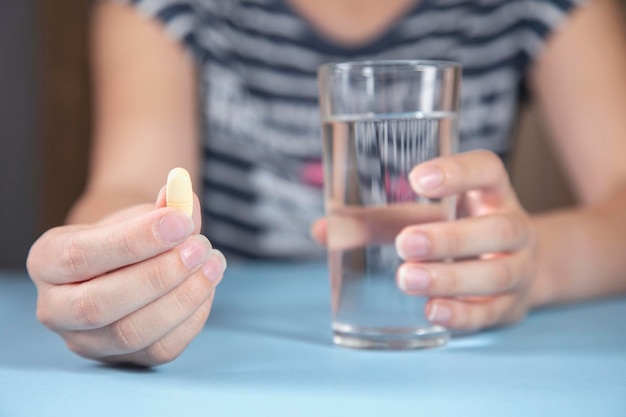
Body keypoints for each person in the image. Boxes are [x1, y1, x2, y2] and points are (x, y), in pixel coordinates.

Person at [26, 0, 626, 366]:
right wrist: (113, 266)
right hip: (240, 342)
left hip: (438, 332)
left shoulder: (526, 8)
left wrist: (528, 265)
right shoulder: (171, 8)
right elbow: (129, 181)